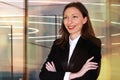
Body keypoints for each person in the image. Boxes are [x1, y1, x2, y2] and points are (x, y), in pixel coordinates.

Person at [39, 1, 101, 80]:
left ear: (84, 20)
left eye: (74, 17)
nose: (69, 21)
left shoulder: (93, 43)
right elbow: (43, 75)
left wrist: (57, 75)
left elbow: (89, 77)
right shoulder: (57, 44)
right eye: (66, 17)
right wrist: (77, 74)